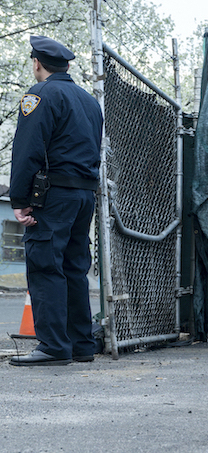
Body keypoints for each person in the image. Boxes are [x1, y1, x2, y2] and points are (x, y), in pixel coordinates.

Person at [9, 35, 103, 366]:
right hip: (84, 195)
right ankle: (81, 344)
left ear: (37, 63)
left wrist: (19, 198)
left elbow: (27, 149)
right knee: (74, 268)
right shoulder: (89, 101)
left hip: (53, 196)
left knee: (46, 265)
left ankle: (52, 346)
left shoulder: (40, 95)